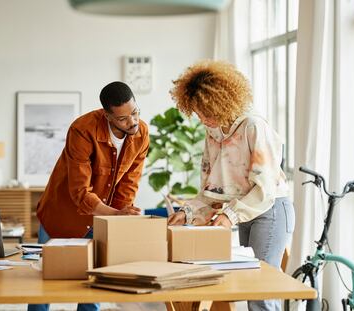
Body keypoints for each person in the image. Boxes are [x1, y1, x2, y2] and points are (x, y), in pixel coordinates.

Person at [168, 60, 295, 311]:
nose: (203, 119)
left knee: (261, 292)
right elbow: (212, 190)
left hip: (270, 210)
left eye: (207, 111)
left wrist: (230, 215)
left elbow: (265, 189)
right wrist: (188, 212)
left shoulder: (253, 126)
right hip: (244, 213)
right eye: (198, 112)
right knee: (249, 286)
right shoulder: (213, 132)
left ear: (222, 101)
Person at [28, 81, 149, 311]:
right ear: (107, 116)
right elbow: (80, 193)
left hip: (103, 217)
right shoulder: (82, 130)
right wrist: (116, 214)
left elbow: (129, 184)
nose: (132, 121)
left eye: (135, 112)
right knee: (44, 286)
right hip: (63, 214)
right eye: (123, 119)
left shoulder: (141, 133)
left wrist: (119, 216)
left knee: (93, 285)